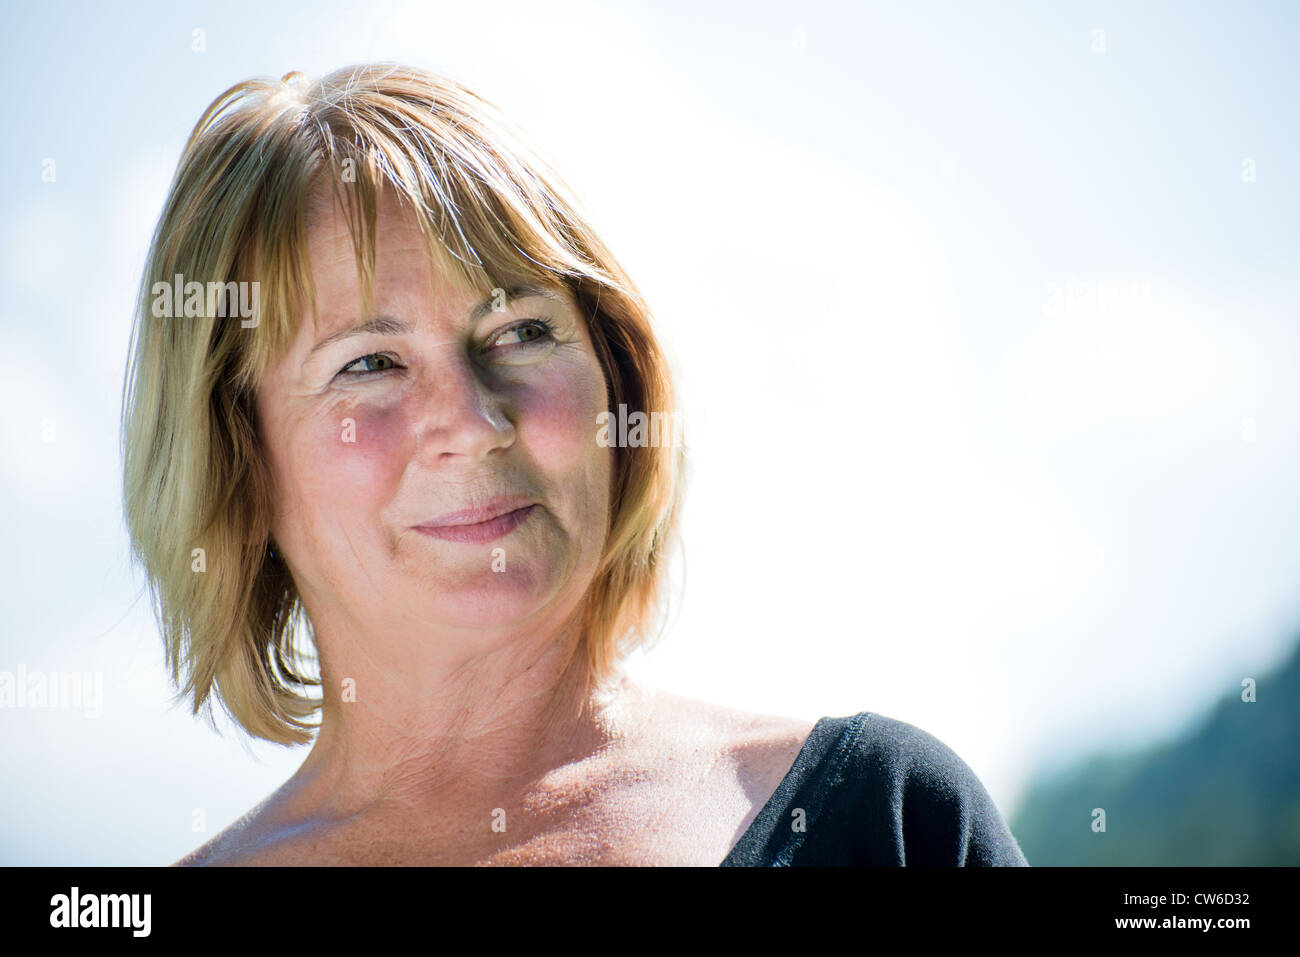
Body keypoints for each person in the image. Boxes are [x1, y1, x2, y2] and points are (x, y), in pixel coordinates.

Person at [121, 62, 1028, 866]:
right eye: (370, 363)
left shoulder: (892, 822)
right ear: (238, 455)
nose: (473, 422)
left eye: (519, 331)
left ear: (617, 382)